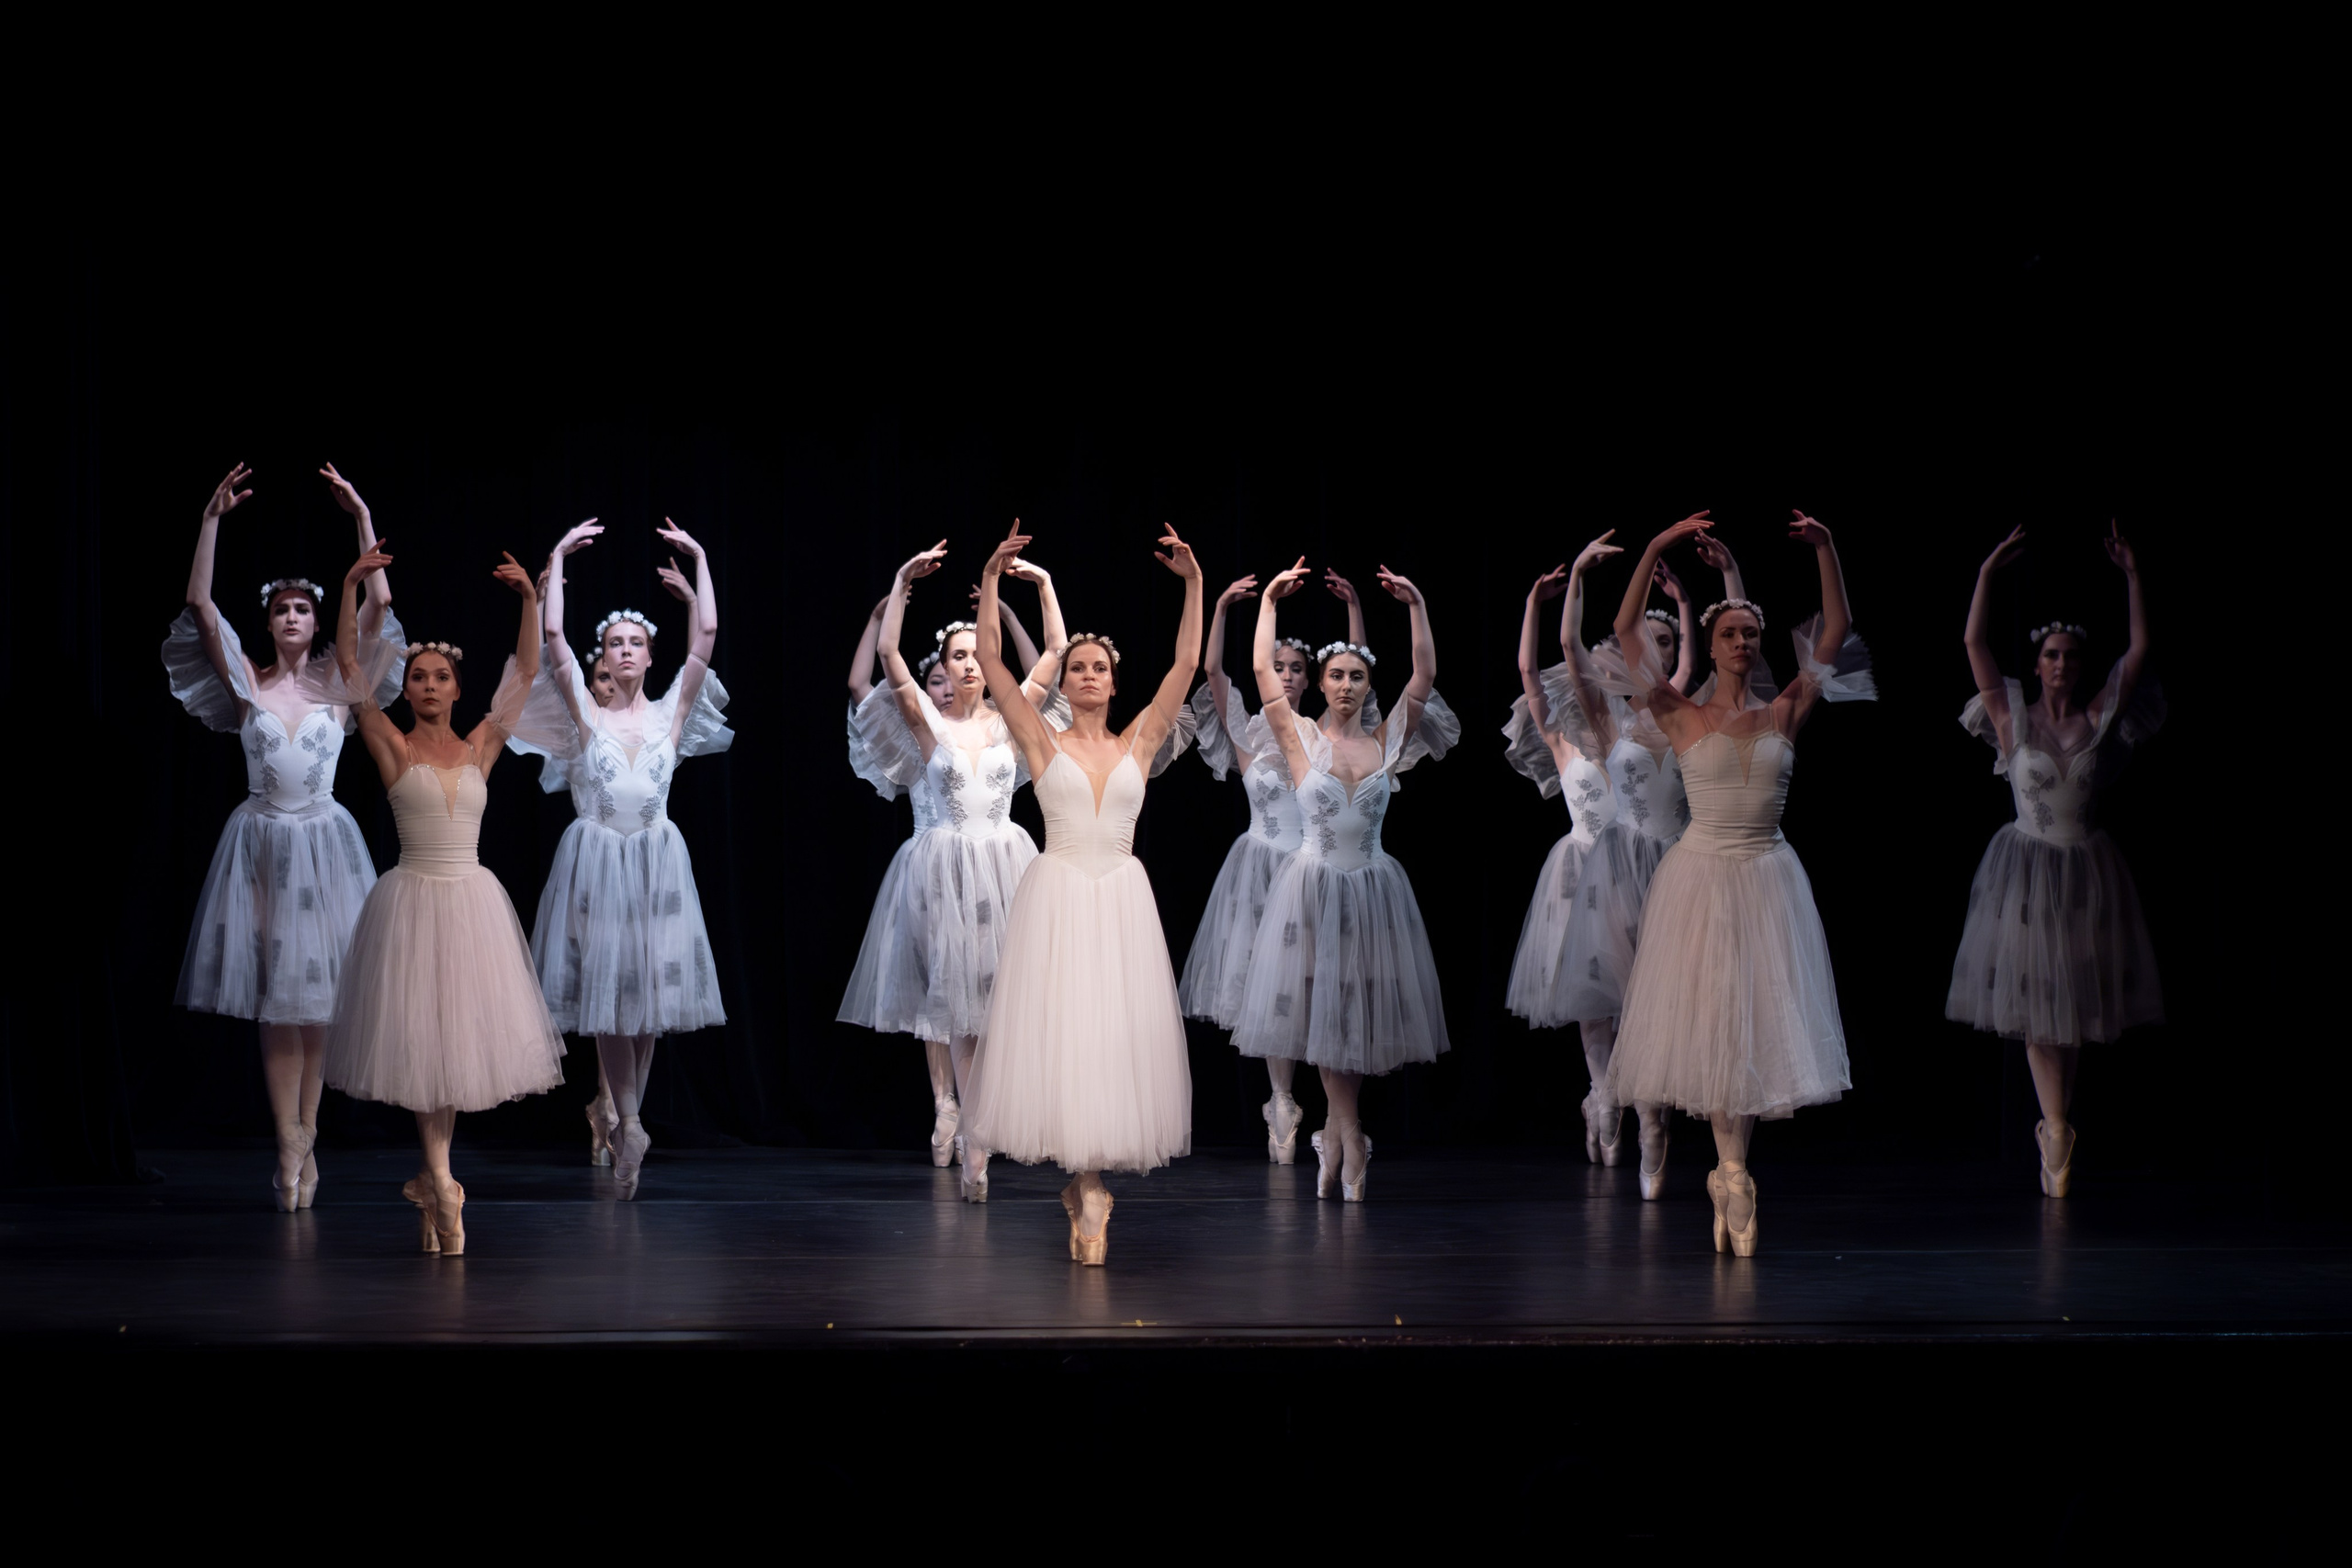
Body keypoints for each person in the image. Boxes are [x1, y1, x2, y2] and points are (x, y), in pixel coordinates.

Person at [1604, 512, 1874, 1256]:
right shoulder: (1680, 715)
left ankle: (1732, 1170)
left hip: (1767, 875)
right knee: (1720, 1019)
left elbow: (1835, 628)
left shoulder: (1785, 710)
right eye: (1730, 633)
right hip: (1701, 877)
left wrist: (1827, 547)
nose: (1743, 642)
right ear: (1714, 644)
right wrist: (1656, 546)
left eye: (1751, 633)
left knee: (1753, 1024)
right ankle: (1732, 1171)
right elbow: (1627, 635)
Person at [164, 462, 404, 1210]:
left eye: (305, 608)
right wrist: (209, 522)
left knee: (320, 1003)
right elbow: (200, 606)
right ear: (269, 622)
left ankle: (309, 1131)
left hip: (327, 851)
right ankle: (287, 1142)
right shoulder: (248, 686)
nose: (296, 618)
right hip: (262, 846)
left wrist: (362, 520)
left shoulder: (340, 685)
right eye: (284, 610)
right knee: (276, 1002)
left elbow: (382, 604)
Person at [959, 519, 1201, 1262]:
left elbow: (1186, 665)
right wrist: (994, 578)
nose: (1089, 674)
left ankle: (1090, 1183)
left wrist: (1194, 583)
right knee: (1067, 1033)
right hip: (1061, 894)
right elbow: (996, 664)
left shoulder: (1140, 740)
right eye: (1079, 667)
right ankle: (1085, 1183)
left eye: (1100, 667)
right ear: (1065, 682)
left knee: (1110, 1033)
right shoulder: (1040, 739)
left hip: (1121, 898)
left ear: (1115, 681)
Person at [319, 543, 570, 1255]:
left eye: (440, 677)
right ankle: (444, 1183)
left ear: (458, 689)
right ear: (407, 688)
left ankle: (435, 1182)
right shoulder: (391, 744)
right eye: (418, 677)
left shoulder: (484, 744)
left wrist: (529, 601)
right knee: (427, 1049)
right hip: (411, 902)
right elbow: (346, 667)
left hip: (472, 903)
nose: (428, 685)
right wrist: (347, 588)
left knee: (450, 1055)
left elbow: (524, 671)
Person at [512, 519, 731, 1199]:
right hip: (601, 860)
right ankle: (629, 1119)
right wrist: (554, 556)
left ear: (650, 655)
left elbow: (709, 637)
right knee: (610, 998)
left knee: (650, 998)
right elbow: (552, 642)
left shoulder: (671, 713)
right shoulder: (588, 715)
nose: (627, 650)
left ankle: (624, 1111)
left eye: (637, 642)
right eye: (616, 642)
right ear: (604, 655)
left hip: (658, 862)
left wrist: (698, 561)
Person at [838, 542, 1069, 1190]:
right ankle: (973, 1132)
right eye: (957, 656)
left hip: (1004, 867)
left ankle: (980, 1120)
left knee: (1001, 1009)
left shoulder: (1009, 720)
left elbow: (1053, 653)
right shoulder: (927, 725)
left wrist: (1042, 581)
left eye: (976, 654)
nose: (969, 665)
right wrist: (901, 582)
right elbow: (884, 660)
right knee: (960, 1011)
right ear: (941, 666)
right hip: (944, 870)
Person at [1229, 557, 1458, 1201]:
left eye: (1357, 675)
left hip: (1373, 889)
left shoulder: (1387, 741)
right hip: (1314, 887)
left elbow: (1425, 675)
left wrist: (1415, 603)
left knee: (1355, 1006)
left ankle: (1338, 1129)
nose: (1347, 684)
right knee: (1326, 1005)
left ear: (1366, 683)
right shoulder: (1301, 741)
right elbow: (1260, 678)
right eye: (1336, 675)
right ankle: (1349, 1133)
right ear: (1323, 684)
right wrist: (1269, 600)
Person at [1947, 521, 2160, 1195]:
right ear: (2037, 664)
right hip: (2026, 872)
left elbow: (2141, 648)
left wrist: (2132, 576)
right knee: (2039, 1005)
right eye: (2051, 655)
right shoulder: (2011, 719)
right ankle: (2058, 1129)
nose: (2062, 663)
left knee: (2073, 1008)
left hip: (2088, 875)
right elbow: (1972, 643)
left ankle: (2055, 1124)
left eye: (2070, 654)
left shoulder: (2098, 715)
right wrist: (1985, 575)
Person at [1180, 567, 1370, 1162]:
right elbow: (1212, 673)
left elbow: (1366, 688)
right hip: (1262, 869)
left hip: (1316, 871)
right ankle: (1281, 1100)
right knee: (1275, 989)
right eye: (1279, 667)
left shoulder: (1315, 737)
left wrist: (1356, 611)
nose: (1286, 676)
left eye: (1296, 669)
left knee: (1321, 983)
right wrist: (1221, 611)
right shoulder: (1247, 735)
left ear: (1311, 681)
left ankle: (1337, 1116)